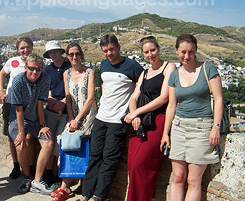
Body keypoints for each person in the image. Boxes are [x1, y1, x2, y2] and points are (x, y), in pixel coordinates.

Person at [78, 34, 143, 201]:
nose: (109, 53)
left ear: (119, 47)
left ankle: (98, 196)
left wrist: (133, 111)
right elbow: (103, 86)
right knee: (94, 156)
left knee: (110, 159)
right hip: (101, 117)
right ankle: (86, 194)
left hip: (118, 121)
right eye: (105, 50)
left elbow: (142, 89)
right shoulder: (104, 65)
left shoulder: (132, 66)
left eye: (112, 49)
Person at [160, 34, 223, 201]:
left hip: (201, 128)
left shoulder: (207, 69)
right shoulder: (174, 75)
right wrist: (166, 133)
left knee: (193, 180)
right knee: (178, 177)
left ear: (196, 51)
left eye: (191, 52)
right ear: (176, 50)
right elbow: (172, 105)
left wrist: (216, 126)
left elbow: (218, 99)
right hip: (179, 127)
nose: (187, 56)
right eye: (183, 52)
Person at [123, 36, 176, 201]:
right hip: (141, 121)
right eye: (146, 52)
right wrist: (134, 115)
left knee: (142, 164)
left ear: (158, 49)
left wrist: (136, 112)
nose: (150, 54)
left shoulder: (169, 67)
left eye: (152, 50)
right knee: (132, 164)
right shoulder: (145, 72)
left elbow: (164, 98)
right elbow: (133, 97)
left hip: (158, 119)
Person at [51, 42, 97, 201]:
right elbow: (68, 99)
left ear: (81, 54)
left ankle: (84, 185)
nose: (74, 57)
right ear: (67, 56)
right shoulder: (67, 74)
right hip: (73, 117)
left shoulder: (90, 72)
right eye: (71, 54)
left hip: (88, 116)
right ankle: (65, 185)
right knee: (67, 144)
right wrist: (71, 119)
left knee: (84, 148)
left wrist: (78, 119)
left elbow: (90, 99)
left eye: (77, 54)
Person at [8, 53, 54, 195]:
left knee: (48, 143)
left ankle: (36, 181)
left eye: (39, 69)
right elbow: (18, 109)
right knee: (20, 145)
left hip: (35, 119)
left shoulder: (45, 79)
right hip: (18, 118)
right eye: (32, 68)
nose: (35, 72)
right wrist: (21, 133)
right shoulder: (18, 81)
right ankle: (27, 176)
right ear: (26, 68)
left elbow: (40, 104)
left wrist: (42, 125)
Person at [0, 36, 33, 179]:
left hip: (28, 106)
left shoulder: (35, 62)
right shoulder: (12, 62)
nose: (25, 50)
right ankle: (15, 165)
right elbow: (1, 73)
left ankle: (29, 166)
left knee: (28, 136)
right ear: (18, 49)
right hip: (11, 104)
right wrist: (0, 89)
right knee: (12, 137)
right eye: (22, 48)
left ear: (32, 47)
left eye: (27, 47)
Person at [42, 40, 71, 187]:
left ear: (61, 52)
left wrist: (64, 102)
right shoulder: (47, 70)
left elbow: (73, 88)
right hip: (51, 111)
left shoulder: (70, 67)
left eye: (55, 51)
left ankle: (60, 174)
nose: (53, 54)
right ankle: (48, 173)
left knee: (60, 144)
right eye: (50, 52)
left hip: (66, 112)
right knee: (49, 142)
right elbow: (45, 89)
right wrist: (51, 100)